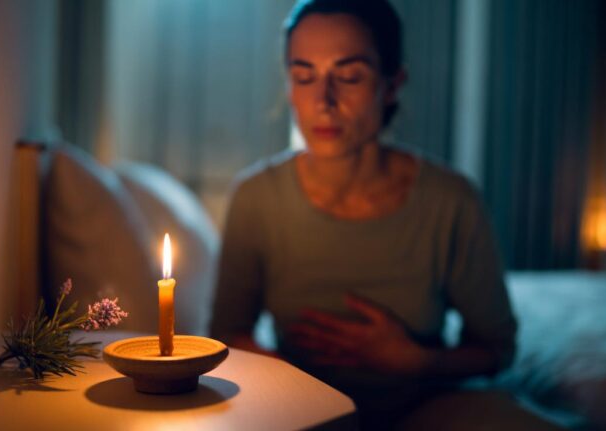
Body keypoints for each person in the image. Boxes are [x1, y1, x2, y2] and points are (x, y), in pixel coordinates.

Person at [211, 1, 555, 429]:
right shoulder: (257, 197)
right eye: (304, 76)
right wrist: (291, 379)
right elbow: (226, 335)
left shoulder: (450, 201)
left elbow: (496, 349)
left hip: (425, 407)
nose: (323, 101)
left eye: (349, 77)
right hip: (302, 411)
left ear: (392, 84)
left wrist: (415, 361)